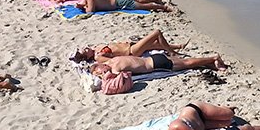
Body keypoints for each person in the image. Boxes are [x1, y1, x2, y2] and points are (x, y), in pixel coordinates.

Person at [69, 29, 190, 64]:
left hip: (130, 45)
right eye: (84, 51)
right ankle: (172, 52)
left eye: (82, 49)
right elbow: (114, 61)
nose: (85, 48)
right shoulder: (98, 57)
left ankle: (178, 46)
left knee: (155, 45)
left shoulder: (95, 48)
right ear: (87, 56)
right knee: (156, 33)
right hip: (131, 51)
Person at [89, 52, 226, 78]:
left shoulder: (114, 68)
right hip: (153, 58)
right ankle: (211, 64)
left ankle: (213, 58)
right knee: (185, 62)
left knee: (187, 64)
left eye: (100, 71)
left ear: (100, 66)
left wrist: (104, 76)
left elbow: (117, 78)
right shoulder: (110, 61)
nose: (103, 73)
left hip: (156, 64)